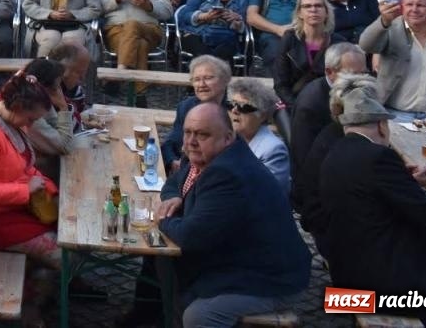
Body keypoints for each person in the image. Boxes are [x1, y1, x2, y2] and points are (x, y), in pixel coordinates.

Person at [317, 76, 426, 328]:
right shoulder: (377, 157)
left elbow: (370, 195)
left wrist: (407, 184)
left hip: (347, 269)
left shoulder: (336, 151)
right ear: (383, 126)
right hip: (372, 289)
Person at [156, 102, 309, 327]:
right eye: (187, 132)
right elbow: (173, 183)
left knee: (199, 315)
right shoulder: (206, 156)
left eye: (202, 134)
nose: (191, 142)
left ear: (228, 138)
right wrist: (174, 198)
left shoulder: (227, 173)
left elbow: (190, 237)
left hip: (269, 278)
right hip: (238, 260)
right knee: (164, 263)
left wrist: (164, 217)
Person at [0, 69, 60, 326]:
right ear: (16, 106)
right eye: (29, 118)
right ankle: (32, 307)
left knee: (59, 242)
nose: (29, 125)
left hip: (7, 212)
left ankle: (32, 300)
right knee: (65, 256)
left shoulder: (4, 115)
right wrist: (26, 191)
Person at [287, 41, 367, 215]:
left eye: (363, 74)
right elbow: (305, 159)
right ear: (330, 72)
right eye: (352, 75)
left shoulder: (349, 91)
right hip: (319, 193)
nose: (360, 81)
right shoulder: (312, 104)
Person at [95, 0, 174, 101]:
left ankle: (119, 74)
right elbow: (94, 6)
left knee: (133, 25)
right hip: (116, 30)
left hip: (150, 29)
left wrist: (149, 5)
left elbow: (167, 10)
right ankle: (140, 95)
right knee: (140, 45)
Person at [272, 0, 334, 105]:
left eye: (318, 6)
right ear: (299, 13)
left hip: (328, 104)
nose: (313, 10)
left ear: (326, 12)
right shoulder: (289, 39)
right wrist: (296, 106)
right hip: (295, 101)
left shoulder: (337, 42)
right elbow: (280, 84)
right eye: (307, 6)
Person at [225, 78, 289, 192]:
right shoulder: (226, 139)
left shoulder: (273, 149)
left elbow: (267, 193)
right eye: (231, 105)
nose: (234, 110)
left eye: (243, 107)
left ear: (263, 115)